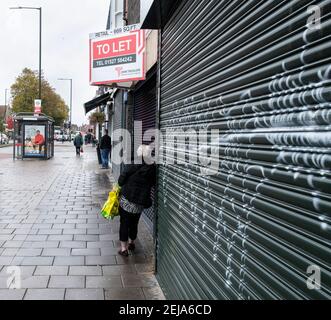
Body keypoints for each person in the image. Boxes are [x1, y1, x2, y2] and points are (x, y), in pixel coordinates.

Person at [117, 145, 156, 257]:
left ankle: (124, 249)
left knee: (124, 223)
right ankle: (132, 243)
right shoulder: (152, 168)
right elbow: (153, 183)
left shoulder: (132, 164)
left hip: (127, 200)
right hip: (140, 202)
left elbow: (120, 181)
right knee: (134, 223)